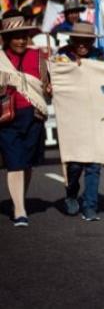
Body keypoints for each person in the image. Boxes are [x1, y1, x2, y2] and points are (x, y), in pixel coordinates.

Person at [0, 15, 50, 227]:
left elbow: (47, 85)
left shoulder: (38, 56)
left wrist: (49, 87)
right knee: (14, 163)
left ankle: (17, 201)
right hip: (6, 118)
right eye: (16, 37)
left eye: (24, 36)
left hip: (34, 115)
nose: (21, 40)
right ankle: (20, 210)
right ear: (7, 38)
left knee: (26, 163)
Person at [55, 22, 104, 221]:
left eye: (87, 41)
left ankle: (90, 206)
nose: (82, 44)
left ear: (92, 41)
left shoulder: (99, 55)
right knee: (75, 164)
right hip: (72, 117)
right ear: (71, 40)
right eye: (78, 40)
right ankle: (71, 192)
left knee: (94, 164)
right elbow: (54, 81)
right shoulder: (61, 56)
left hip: (95, 115)